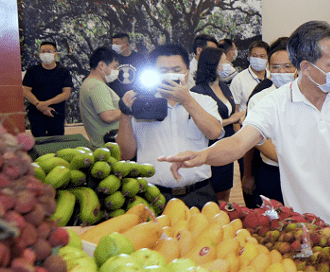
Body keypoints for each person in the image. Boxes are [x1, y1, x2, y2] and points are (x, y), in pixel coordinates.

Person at [161, 21, 330, 248]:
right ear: (306, 67)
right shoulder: (274, 104)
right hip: (306, 226)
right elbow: (238, 143)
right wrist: (203, 155)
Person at [118, 44, 223, 209]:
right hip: (153, 195)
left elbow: (215, 132)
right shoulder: (140, 104)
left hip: (199, 193)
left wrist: (187, 100)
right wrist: (125, 113)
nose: (170, 75)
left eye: (176, 69)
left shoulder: (203, 101)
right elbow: (125, 153)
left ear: (187, 71)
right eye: (162, 71)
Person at [241, 42, 293, 207]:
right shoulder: (259, 99)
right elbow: (251, 141)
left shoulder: (308, 97)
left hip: (302, 172)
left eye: (287, 66)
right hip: (270, 170)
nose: (281, 72)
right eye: (276, 67)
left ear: (298, 67)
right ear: (269, 69)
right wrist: (247, 174)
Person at [191, 47, 243, 203]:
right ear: (212, 64)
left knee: (225, 193)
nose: (228, 64)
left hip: (227, 147)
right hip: (210, 147)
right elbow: (204, 123)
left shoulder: (224, 86)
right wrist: (232, 119)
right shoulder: (198, 91)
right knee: (212, 196)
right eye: (224, 61)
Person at [22, 41, 72, 137]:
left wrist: (45, 104)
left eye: (49, 51)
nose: (46, 54)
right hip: (36, 114)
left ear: (55, 54)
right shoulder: (32, 71)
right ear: (39, 54)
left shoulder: (64, 72)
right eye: (43, 52)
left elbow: (66, 94)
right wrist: (39, 105)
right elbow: (26, 91)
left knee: (56, 143)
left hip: (56, 114)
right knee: (39, 143)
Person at [78, 46, 121, 145]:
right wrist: (129, 107)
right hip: (109, 147)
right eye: (115, 66)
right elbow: (108, 116)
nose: (117, 70)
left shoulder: (89, 83)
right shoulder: (97, 86)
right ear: (102, 65)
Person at [230, 40, 272, 108]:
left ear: (268, 57)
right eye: (255, 56)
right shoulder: (238, 80)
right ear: (249, 57)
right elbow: (235, 109)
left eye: (262, 56)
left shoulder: (273, 77)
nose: (258, 59)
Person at [108, 33, 144, 99]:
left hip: (136, 98)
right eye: (113, 43)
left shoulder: (140, 58)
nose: (114, 46)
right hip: (116, 99)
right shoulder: (111, 60)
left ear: (127, 44)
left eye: (117, 43)